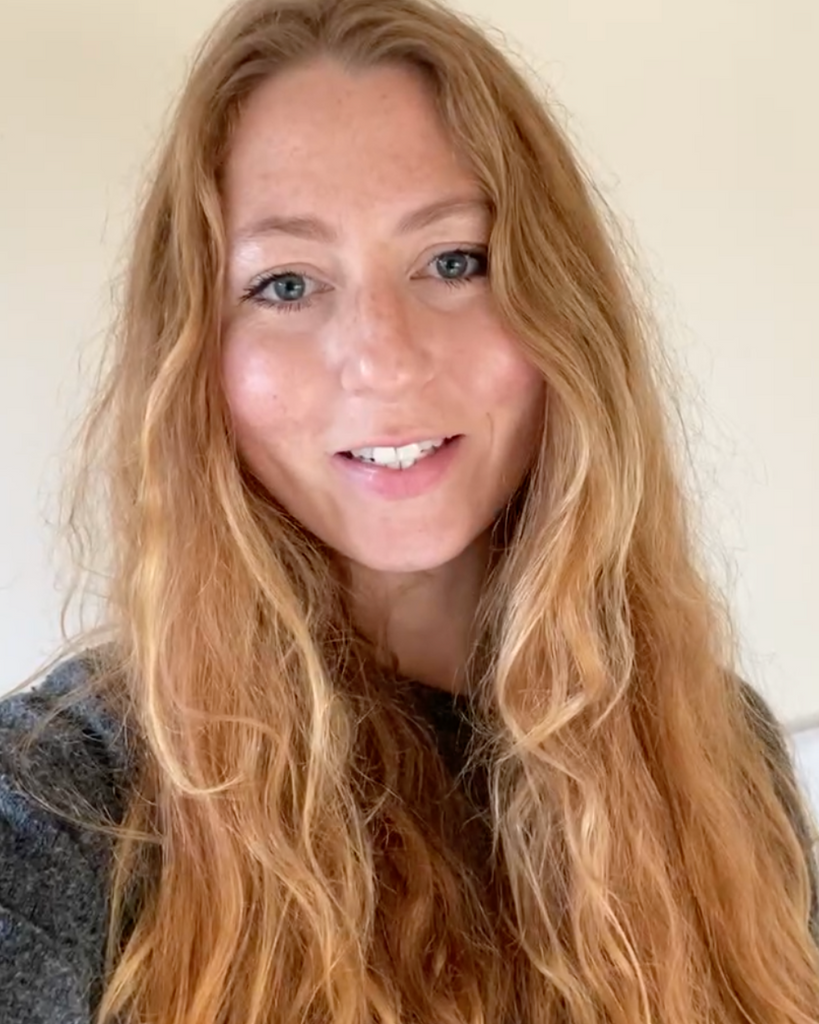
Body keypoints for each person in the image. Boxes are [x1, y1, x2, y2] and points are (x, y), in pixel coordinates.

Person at [1, 0, 817, 1021]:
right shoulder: (65, 803)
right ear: (196, 358)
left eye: (454, 261)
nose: (383, 356)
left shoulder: (720, 743)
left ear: (563, 307)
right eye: (287, 282)